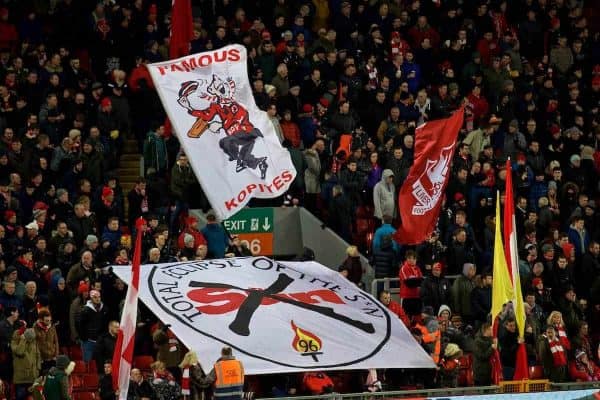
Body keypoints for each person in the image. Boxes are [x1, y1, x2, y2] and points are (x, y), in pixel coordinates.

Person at [473, 322, 495, 386]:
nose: (493, 331)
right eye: (491, 329)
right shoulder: (478, 342)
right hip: (480, 372)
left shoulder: (491, 340)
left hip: (488, 371)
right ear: (486, 330)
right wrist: (491, 348)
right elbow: (482, 356)